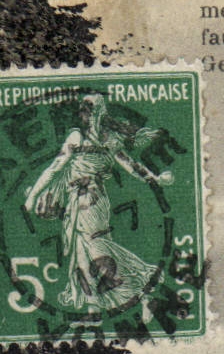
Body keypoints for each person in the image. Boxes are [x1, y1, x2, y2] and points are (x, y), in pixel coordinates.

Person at [24, 94, 173, 313]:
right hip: (85, 199)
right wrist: (153, 178)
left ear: (97, 113)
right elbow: (57, 167)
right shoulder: (93, 137)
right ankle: (98, 301)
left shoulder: (94, 138)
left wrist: (31, 198)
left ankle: (138, 289)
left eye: (88, 110)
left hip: (89, 201)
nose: (86, 115)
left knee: (93, 247)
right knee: (83, 248)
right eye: (85, 111)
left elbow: (129, 165)